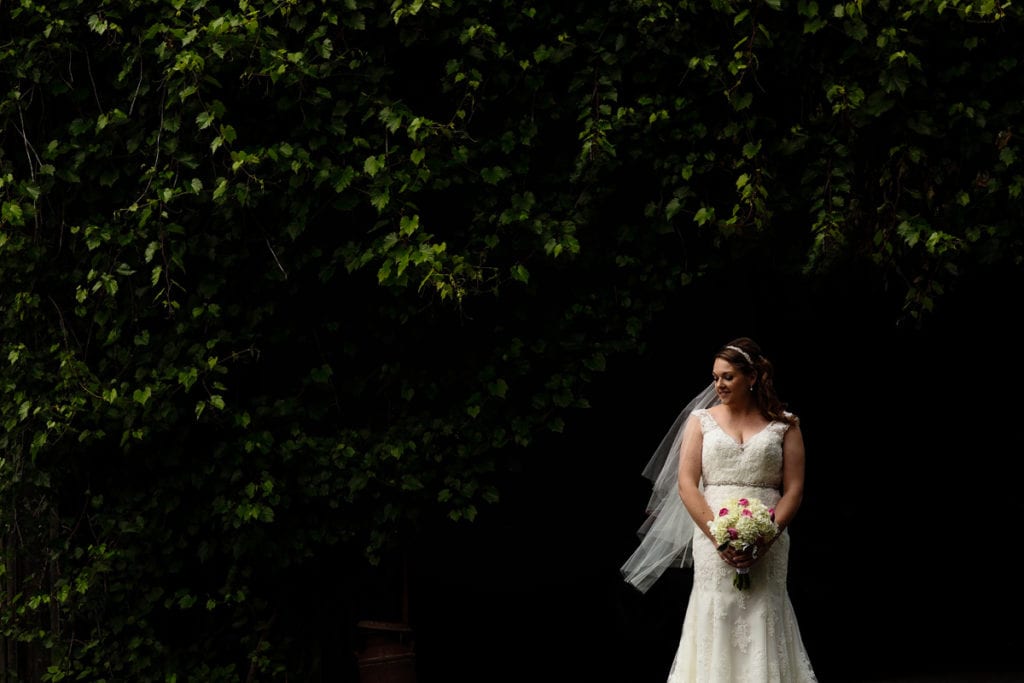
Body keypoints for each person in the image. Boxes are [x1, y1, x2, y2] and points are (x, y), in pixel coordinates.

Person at [621, 337, 816, 682]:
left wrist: (766, 536)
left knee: (765, 610)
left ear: (752, 377)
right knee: (717, 610)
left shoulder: (786, 424)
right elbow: (686, 483)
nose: (718, 385)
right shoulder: (701, 421)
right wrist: (721, 538)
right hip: (713, 537)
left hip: (769, 534)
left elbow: (795, 489)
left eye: (727, 377)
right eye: (715, 377)